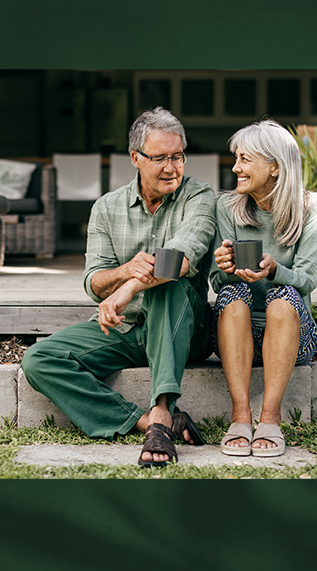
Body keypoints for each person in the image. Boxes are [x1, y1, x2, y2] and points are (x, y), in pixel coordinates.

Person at [22, 107, 216, 467]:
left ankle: (162, 409)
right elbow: (94, 283)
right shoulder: (106, 208)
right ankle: (147, 423)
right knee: (39, 360)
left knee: (167, 284)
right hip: (128, 330)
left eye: (178, 156)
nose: (171, 168)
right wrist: (123, 271)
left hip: (185, 329)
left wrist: (127, 289)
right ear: (135, 158)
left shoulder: (200, 197)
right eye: (159, 158)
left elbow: (181, 259)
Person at [209, 119, 317, 457]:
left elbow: (307, 279)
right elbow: (216, 284)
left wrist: (275, 271)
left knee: (284, 295)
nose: (235, 168)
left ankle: (270, 419)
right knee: (230, 294)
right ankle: (241, 416)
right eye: (237, 159)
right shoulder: (226, 207)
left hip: (293, 338)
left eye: (245, 159)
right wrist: (225, 268)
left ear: (275, 167)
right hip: (237, 340)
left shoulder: (310, 207)